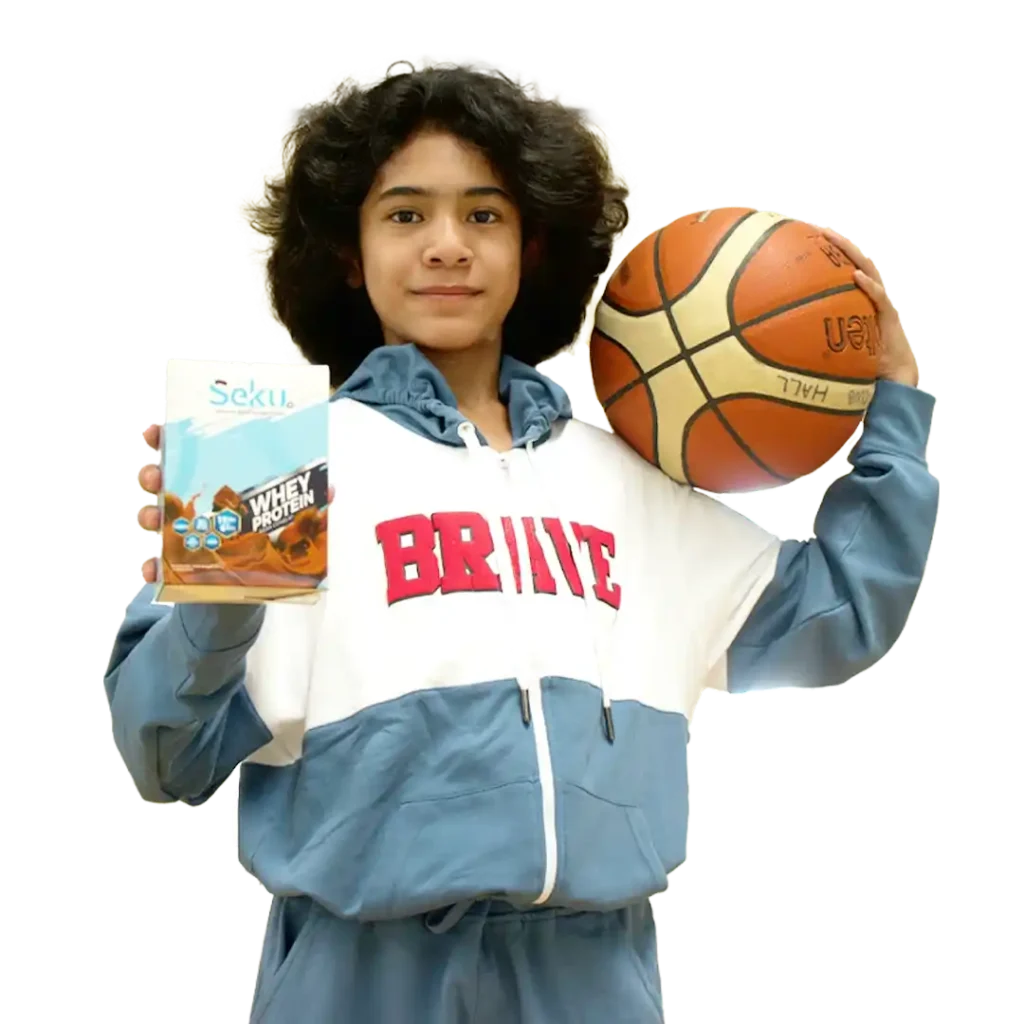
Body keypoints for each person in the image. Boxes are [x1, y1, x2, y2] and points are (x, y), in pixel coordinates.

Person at [109, 55, 939, 1023]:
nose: (446, 246)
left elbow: (839, 616)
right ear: (348, 252)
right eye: (405, 215)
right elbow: (167, 761)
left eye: (484, 214)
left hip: (593, 978)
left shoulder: (627, 476)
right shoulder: (276, 460)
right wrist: (216, 593)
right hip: (360, 977)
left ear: (533, 244)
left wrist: (892, 412)